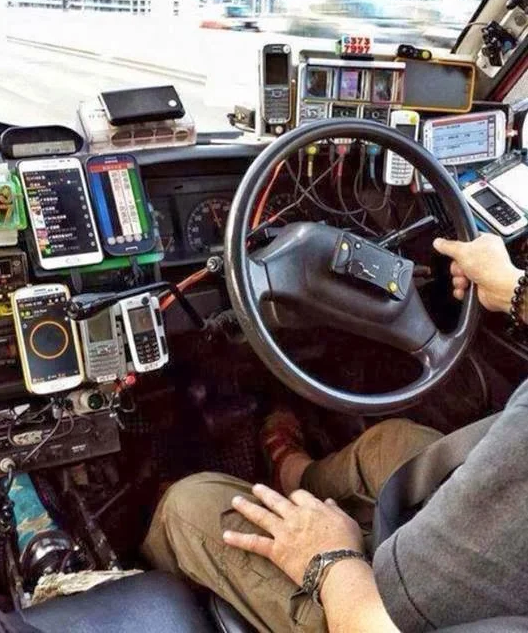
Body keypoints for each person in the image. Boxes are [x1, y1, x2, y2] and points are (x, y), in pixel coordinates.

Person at [142, 233, 528, 633]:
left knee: (187, 505)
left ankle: (147, 551)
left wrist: (333, 560)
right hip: (488, 548)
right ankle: (293, 471)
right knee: (389, 442)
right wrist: (515, 290)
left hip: (397, 613)